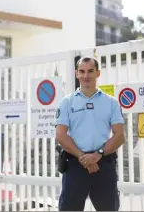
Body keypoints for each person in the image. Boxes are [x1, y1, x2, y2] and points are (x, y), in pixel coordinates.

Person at [55, 56, 125, 211]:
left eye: (90, 71)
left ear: (98, 73)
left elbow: (119, 135)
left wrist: (98, 154)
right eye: (82, 71)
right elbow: (60, 135)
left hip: (103, 164)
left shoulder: (111, 102)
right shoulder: (67, 102)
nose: (86, 76)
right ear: (76, 74)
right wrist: (82, 156)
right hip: (75, 164)